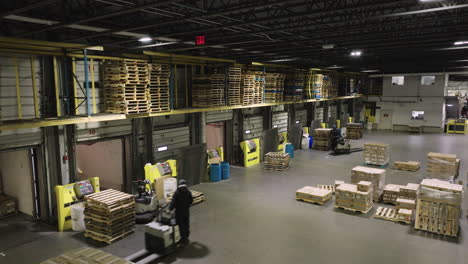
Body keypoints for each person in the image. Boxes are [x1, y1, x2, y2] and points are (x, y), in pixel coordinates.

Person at [169, 179, 193, 244]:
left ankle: (183, 239)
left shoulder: (176, 193)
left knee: (181, 225)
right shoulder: (188, 192)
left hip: (179, 213)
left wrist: (170, 208)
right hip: (186, 212)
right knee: (186, 224)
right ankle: (186, 237)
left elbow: (172, 204)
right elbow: (191, 201)